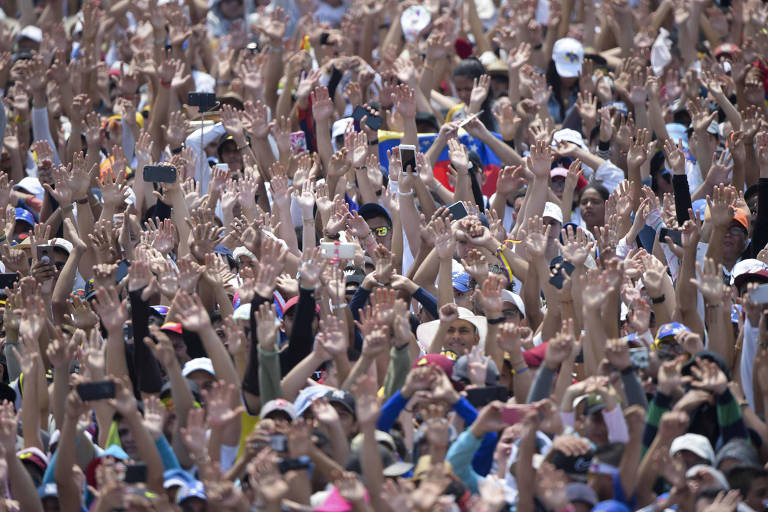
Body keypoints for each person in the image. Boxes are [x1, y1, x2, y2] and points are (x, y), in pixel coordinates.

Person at [0, 0, 768, 510]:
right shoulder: (203, 437)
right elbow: (262, 365)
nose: (464, 336)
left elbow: (405, 285)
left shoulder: (463, 353)